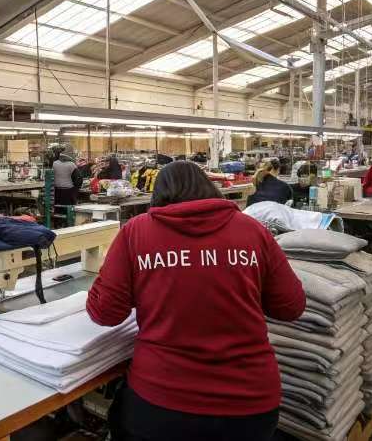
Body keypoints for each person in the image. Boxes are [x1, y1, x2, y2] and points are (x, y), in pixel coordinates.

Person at [87, 161, 306, 441]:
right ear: (209, 187)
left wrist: (116, 277)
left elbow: (105, 312)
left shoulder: (136, 232)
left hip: (161, 405)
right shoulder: (253, 231)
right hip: (249, 407)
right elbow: (292, 306)